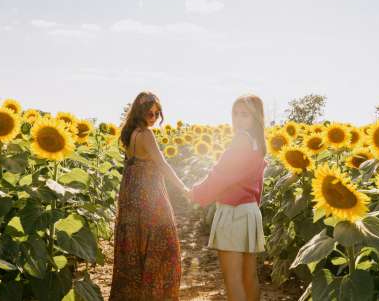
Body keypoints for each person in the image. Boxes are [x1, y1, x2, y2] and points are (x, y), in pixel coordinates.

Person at [109, 91, 188, 301]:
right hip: (149, 198)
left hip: (132, 198)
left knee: (135, 249)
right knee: (164, 248)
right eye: (149, 113)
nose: (153, 117)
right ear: (140, 112)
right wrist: (183, 188)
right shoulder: (146, 134)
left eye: (156, 113)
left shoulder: (131, 134)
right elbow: (162, 164)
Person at [188, 94, 268, 301]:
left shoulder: (240, 141)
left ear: (256, 118)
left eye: (245, 115)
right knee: (249, 276)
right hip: (250, 212)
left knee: (233, 279)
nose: (239, 119)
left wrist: (196, 193)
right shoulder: (257, 144)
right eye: (236, 114)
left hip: (233, 213)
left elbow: (220, 176)